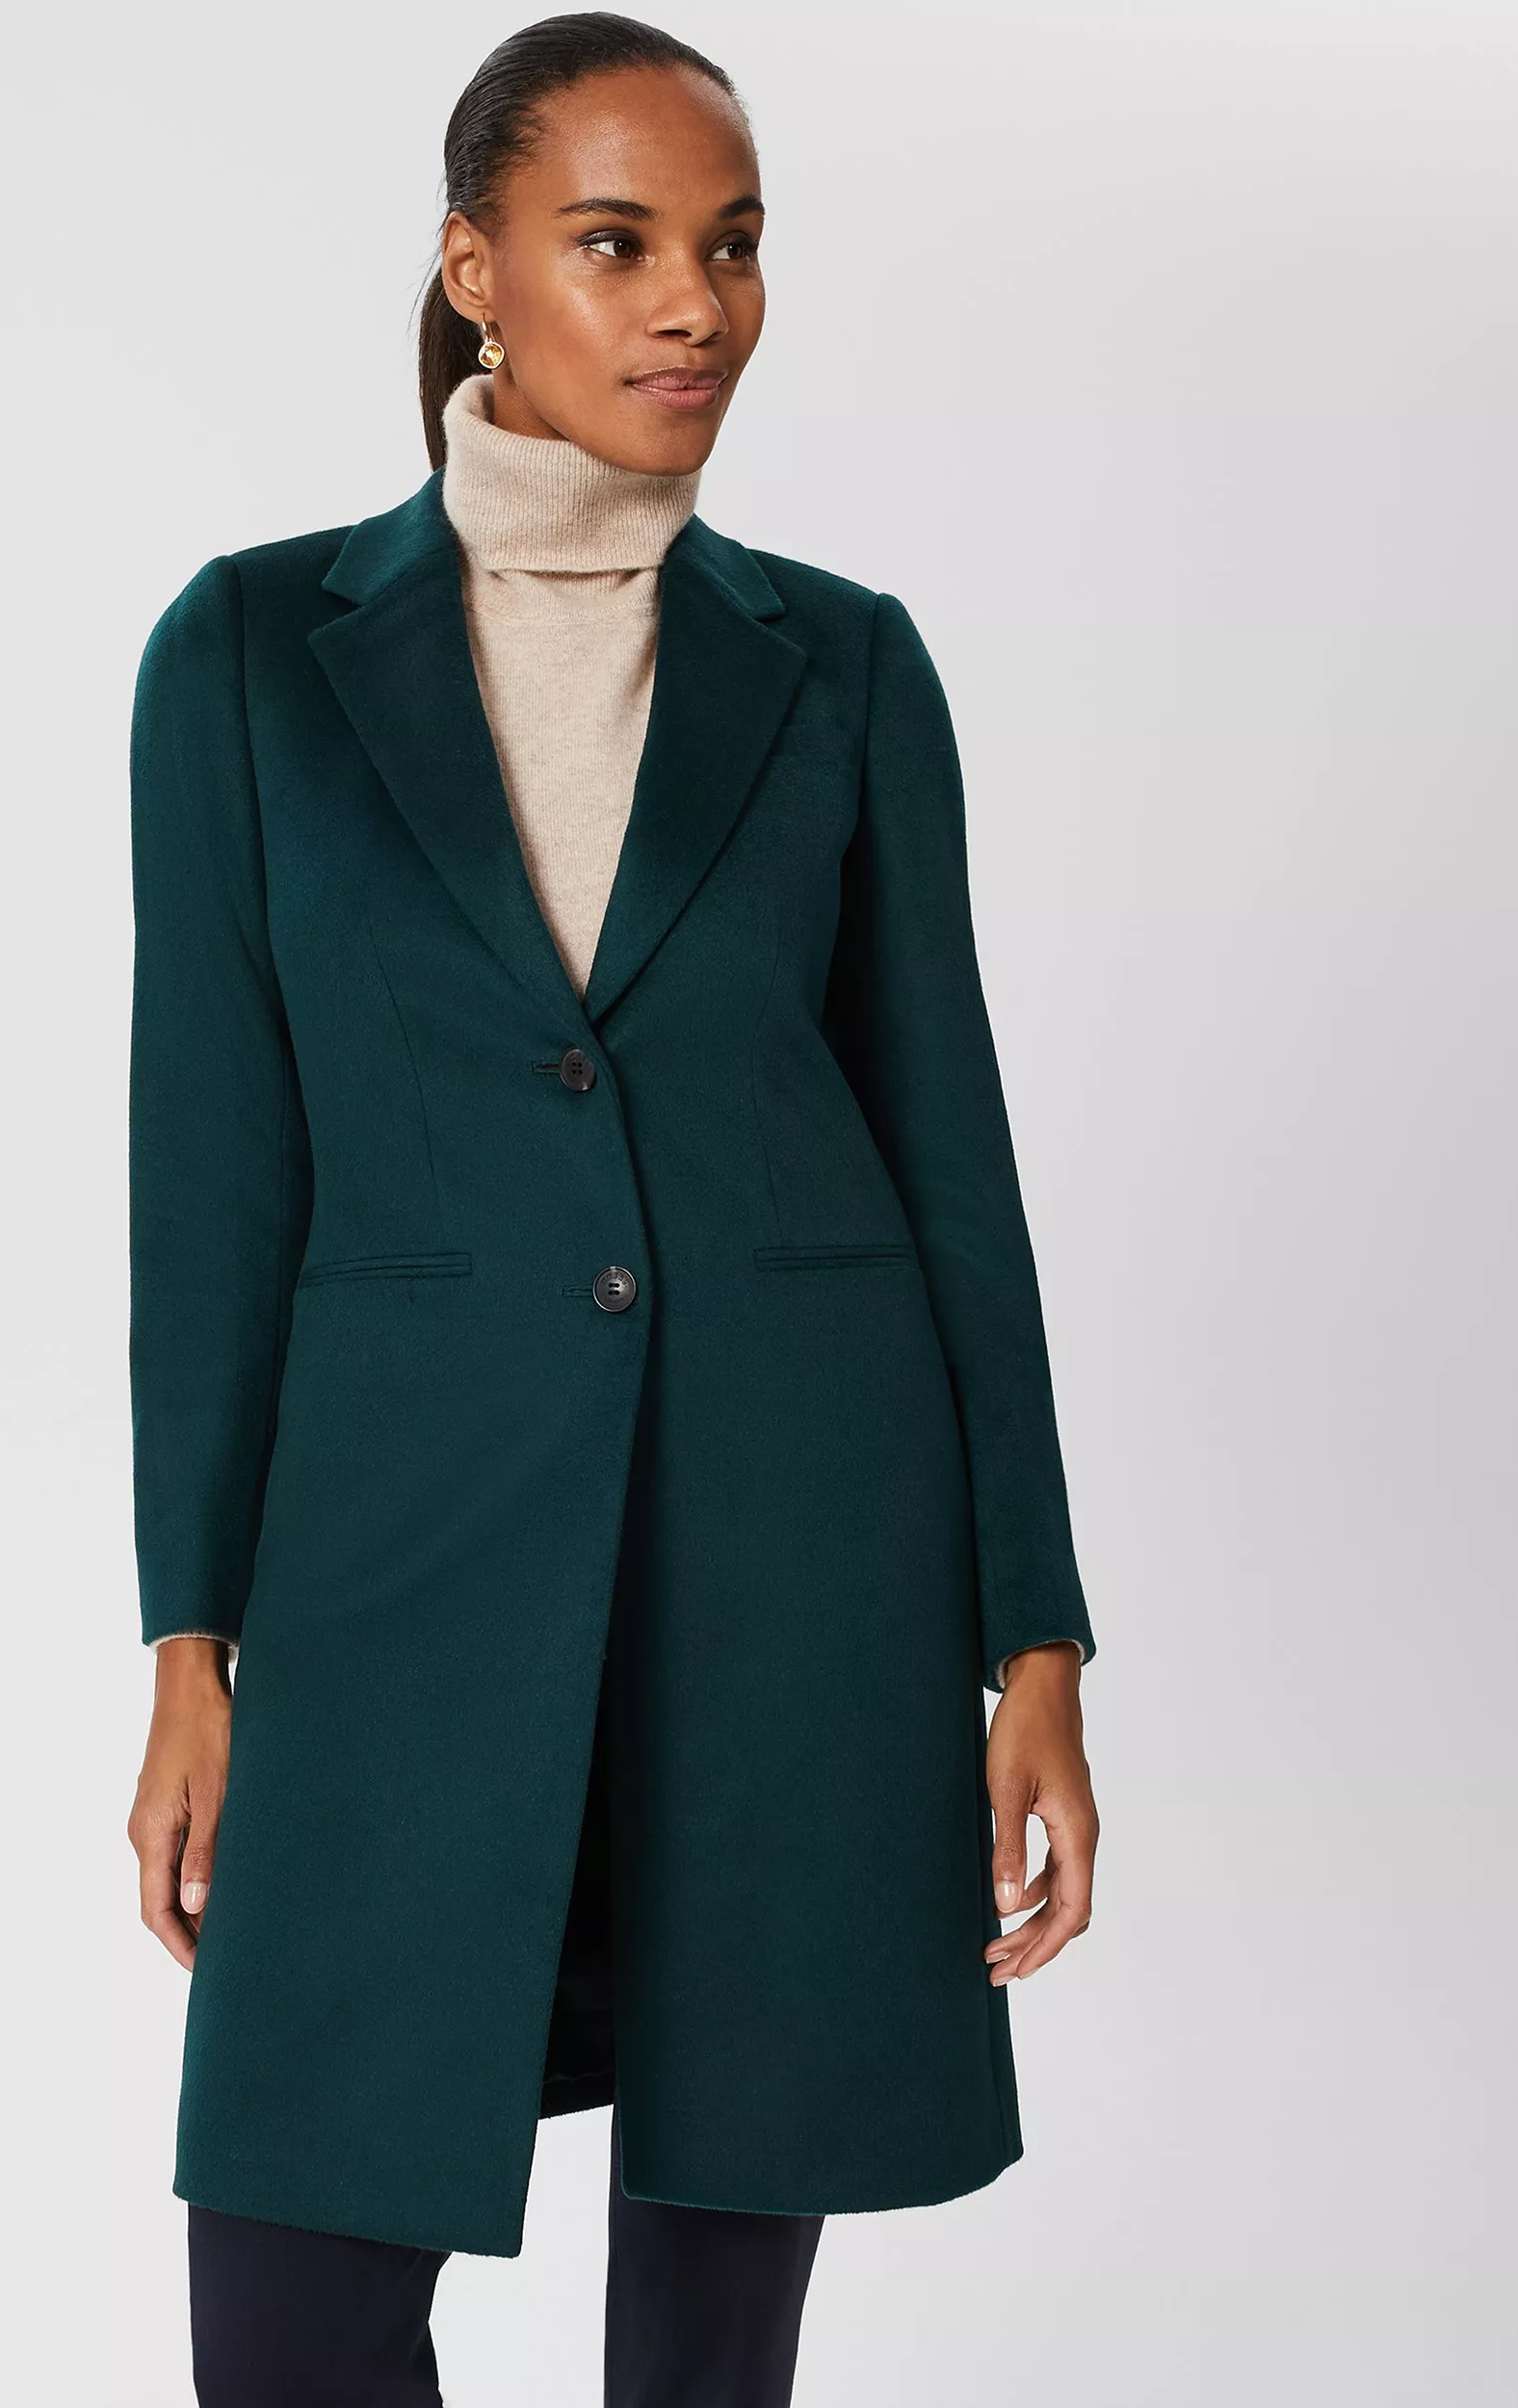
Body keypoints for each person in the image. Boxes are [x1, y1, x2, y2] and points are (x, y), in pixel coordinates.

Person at [125, 14, 1101, 2403]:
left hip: (792, 1568)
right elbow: (212, 1178)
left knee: (708, 2338)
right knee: (291, 2305)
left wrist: (1033, 1635)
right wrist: (188, 1638)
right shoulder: (249, 653)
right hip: (393, 1575)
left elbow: (948, 1157)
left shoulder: (841, 664)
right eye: (618, 242)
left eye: (732, 246)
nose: (695, 304)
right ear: (475, 269)